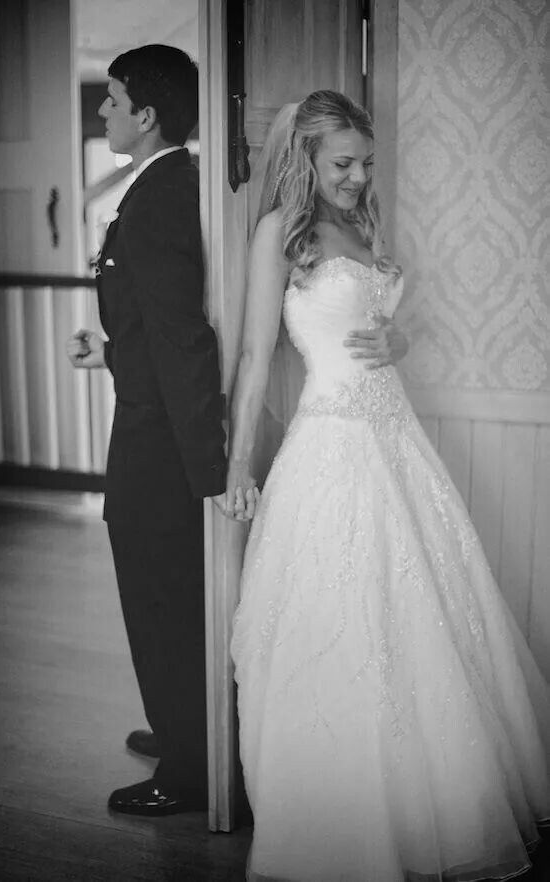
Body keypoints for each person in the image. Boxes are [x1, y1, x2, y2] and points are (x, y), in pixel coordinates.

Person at [227, 90, 550, 881]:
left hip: (398, 440)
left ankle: (429, 812)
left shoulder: (367, 227)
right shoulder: (279, 235)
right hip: (331, 448)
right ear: (303, 159)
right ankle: (343, 824)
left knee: (425, 622)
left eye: (365, 162)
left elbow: (376, 322)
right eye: (342, 163)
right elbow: (251, 356)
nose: (358, 176)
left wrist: (397, 337)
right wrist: (235, 464)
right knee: (340, 624)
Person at [66, 44, 228, 815]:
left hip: (160, 445)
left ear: (148, 114)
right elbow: (153, 327)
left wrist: (209, 470)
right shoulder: (160, 183)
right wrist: (108, 350)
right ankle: (177, 731)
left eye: (112, 99)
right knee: (160, 596)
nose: (103, 111)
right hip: (151, 426)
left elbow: (184, 336)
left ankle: (189, 774)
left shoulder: (163, 193)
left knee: (160, 600)